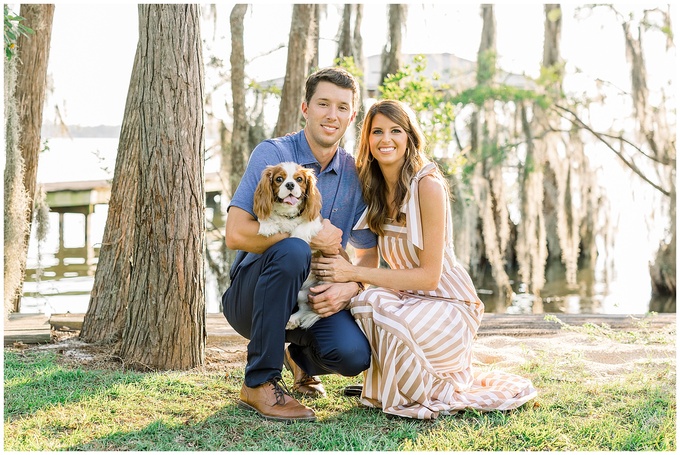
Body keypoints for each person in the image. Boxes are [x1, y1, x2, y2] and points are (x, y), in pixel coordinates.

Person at [313, 99, 538, 419]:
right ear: (367, 140)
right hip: (407, 298)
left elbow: (429, 278)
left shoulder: (427, 186)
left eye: (395, 131)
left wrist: (351, 274)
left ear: (409, 137)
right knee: (367, 301)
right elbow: (366, 254)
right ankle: (391, 382)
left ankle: (415, 388)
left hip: (448, 304)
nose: (385, 139)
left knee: (377, 302)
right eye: (377, 131)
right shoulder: (372, 186)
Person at [222, 67, 379, 422]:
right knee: (293, 250)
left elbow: (369, 254)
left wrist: (352, 284)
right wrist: (307, 237)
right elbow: (235, 234)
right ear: (305, 108)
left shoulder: (355, 174)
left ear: (352, 116)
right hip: (253, 298)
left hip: (310, 301)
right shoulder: (273, 155)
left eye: (342, 107)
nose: (332, 115)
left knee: (353, 355)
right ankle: (259, 382)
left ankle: (298, 358)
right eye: (323, 104)